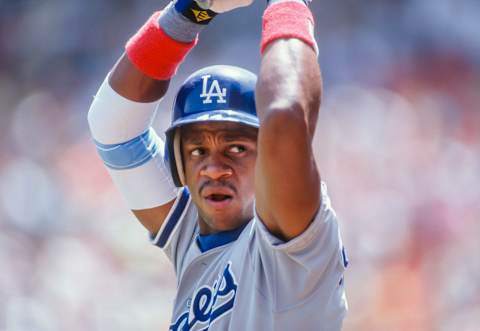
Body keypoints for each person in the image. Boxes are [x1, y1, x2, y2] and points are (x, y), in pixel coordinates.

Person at [88, 0, 348, 329]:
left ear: (266, 158)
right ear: (179, 164)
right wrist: (190, 11)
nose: (213, 168)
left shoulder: (294, 248)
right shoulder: (189, 233)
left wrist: (287, 5)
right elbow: (113, 129)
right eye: (197, 151)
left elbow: (285, 117)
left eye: (236, 148)